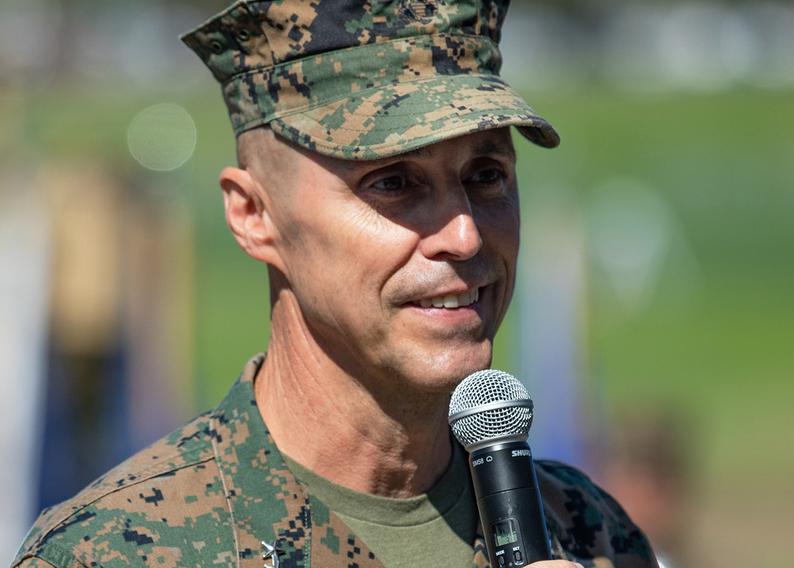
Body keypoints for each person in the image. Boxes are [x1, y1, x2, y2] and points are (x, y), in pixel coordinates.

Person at [12, 1, 658, 566]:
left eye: (486, 175)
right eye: (394, 183)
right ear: (254, 215)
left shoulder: (587, 531)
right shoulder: (122, 552)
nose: (463, 236)